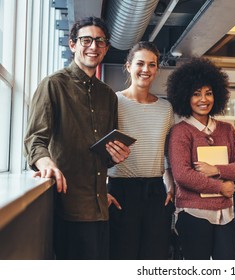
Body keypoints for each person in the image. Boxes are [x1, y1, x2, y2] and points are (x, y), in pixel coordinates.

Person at [23, 16, 130, 260]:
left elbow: (105, 155)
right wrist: (46, 163)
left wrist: (116, 155)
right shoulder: (53, 85)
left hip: (101, 208)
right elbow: (35, 140)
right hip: (67, 208)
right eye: (86, 40)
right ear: (73, 45)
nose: (93, 46)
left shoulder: (108, 96)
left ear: (106, 48)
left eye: (100, 41)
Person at [167, 57, 235, 260]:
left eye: (208, 93)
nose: (203, 99)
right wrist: (220, 187)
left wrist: (217, 170)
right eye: (196, 94)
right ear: (185, 96)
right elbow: (182, 175)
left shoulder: (227, 129)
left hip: (225, 214)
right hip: (194, 213)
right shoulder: (181, 132)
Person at [107, 41, 175, 260]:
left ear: (157, 69)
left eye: (152, 64)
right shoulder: (113, 102)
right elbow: (99, 149)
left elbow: (167, 151)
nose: (146, 70)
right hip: (121, 191)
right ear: (128, 66)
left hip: (156, 191)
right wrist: (101, 189)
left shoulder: (166, 107)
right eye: (140, 63)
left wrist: (170, 183)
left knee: (155, 257)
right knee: (123, 257)